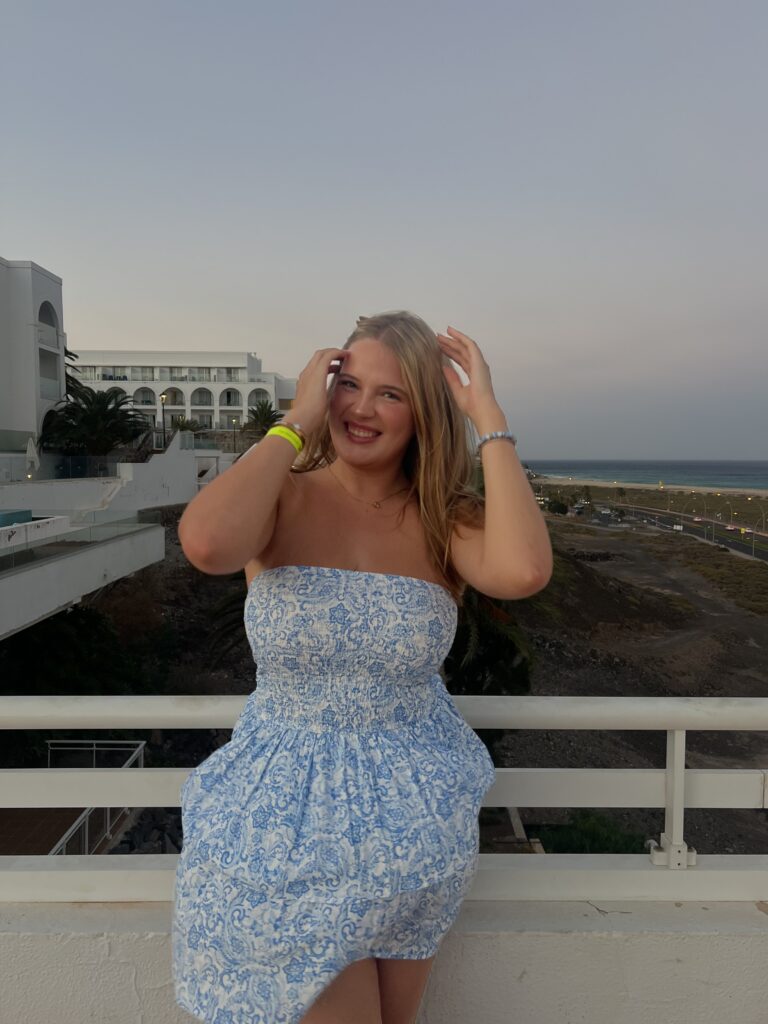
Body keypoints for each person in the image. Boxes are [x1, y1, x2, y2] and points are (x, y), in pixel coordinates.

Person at [172, 311, 553, 1024]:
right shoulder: (283, 494)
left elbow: (524, 570)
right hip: (284, 835)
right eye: (349, 384)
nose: (361, 408)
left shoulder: (443, 516)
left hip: (412, 835)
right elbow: (207, 544)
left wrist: (489, 417)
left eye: (391, 394)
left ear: (424, 414)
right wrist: (295, 423)